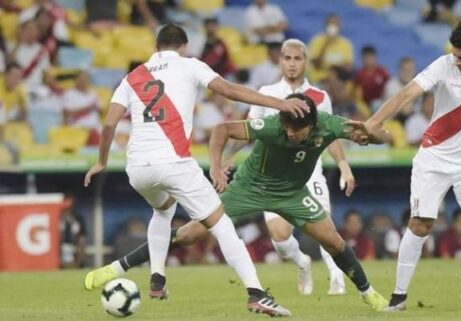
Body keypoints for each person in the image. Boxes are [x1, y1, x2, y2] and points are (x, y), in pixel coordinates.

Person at [86, 93, 392, 313]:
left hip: (293, 194)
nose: (288, 132)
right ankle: (117, 267)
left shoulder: (329, 124)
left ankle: (369, 294)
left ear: (312, 125)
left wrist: (375, 137)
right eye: (285, 126)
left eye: (294, 129)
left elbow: (372, 133)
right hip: (248, 187)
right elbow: (223, 129)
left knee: (335, 242)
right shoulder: (272, 125)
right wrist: (216, 167)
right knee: (190, 234)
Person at [83, 24, 308, 317]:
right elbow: (229, 91)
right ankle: (256, 294)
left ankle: (157, 277)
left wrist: (101, 161)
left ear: (155, 47)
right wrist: (280, 104)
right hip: (174, 163)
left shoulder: (133, 76)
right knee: (222, 224)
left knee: (163, 210)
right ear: (184, 47)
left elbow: (110, 124)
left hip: (137, 168)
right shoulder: (190, 65)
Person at [354, 21, 461, 310]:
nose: (458, 61)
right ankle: (399, 296)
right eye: (455, 55)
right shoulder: (443, 65)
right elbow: (405, 95)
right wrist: (372, 123)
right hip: (434, 158)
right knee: (420, 223)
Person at [223, 39, 353, 296]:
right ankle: (302, 263)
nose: (292, 64)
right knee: (280, 237)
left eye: (297, 59)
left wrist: (343, 165)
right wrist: (228, 156)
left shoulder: (320, 97)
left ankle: (337, 278)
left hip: (308, 170)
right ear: (280, 60)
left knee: (324, 226)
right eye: (287, 58)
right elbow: (249, 129)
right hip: (273, 176)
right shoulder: (266, 93)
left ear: (305, 61)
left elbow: (330, 135)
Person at [308, 14, 354, 84]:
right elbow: (316, 65)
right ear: (325, 25)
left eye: (335, 24)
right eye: (330, 24)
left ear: (339, 26)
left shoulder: (346, 44)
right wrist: (325, 45)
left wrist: (334, 71)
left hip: (339, 80)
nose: (332, 26)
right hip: (320, 80)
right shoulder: (316, 41)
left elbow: (348, 67)